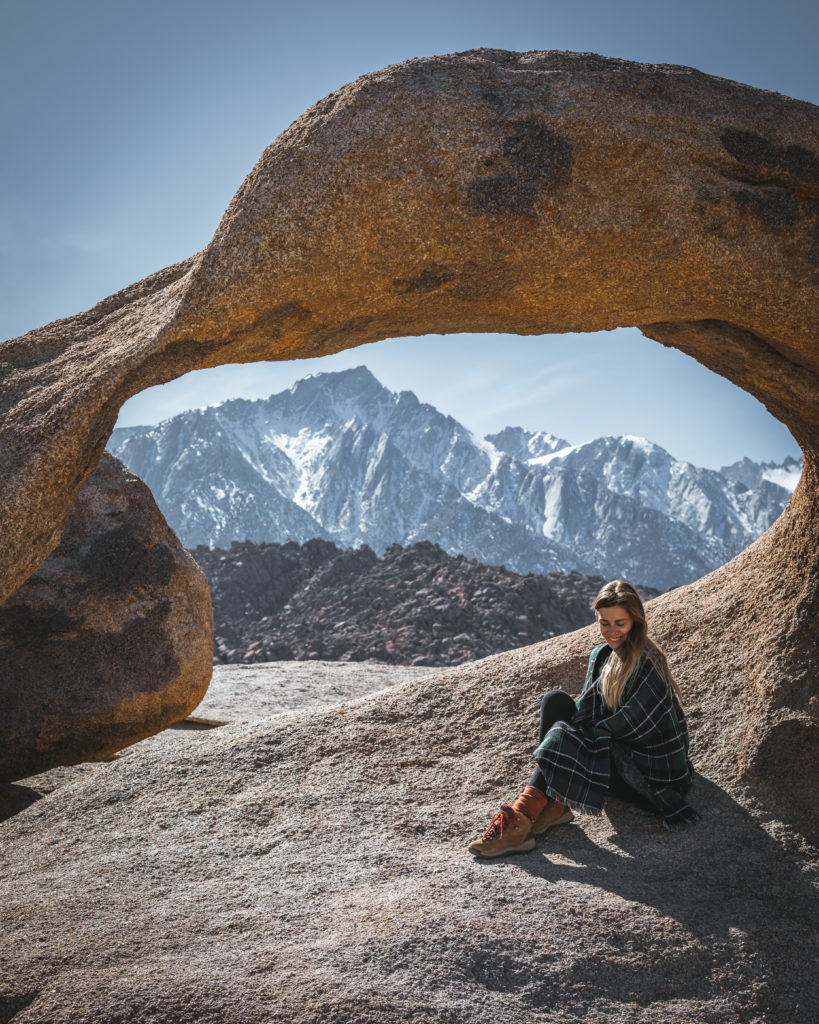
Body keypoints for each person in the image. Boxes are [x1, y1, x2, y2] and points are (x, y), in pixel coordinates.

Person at [468, 579, 696, 858]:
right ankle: (554, 803)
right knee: (555, 702)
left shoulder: (647, 664)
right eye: (604, 623)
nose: (611, 632)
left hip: (645, 775)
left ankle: (521, 820)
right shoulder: (602, 656)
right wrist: (575, 732)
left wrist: (574, 737)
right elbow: (587, 709)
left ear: (636, 621)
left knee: (568, 735)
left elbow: (629, 728)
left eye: (620, 623)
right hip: (614, 748)